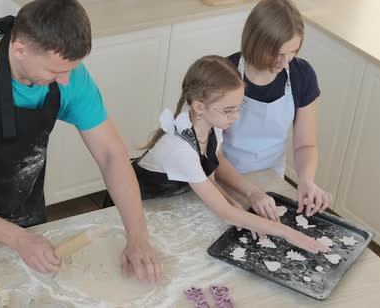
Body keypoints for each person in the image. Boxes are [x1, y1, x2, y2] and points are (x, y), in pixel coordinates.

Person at [0, 0, 160, 308]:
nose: (65, 80)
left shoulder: (68, 74)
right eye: (54, 71)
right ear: (20, 49)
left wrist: (137, 235)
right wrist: (18, 239)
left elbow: (111, 154)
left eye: (70, 70)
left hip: (25, 222)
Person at [130, 55, 330, 254]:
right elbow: (225, 214)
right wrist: (289, 233)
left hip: (169, 202)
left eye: (238, 108)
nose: (236, 117)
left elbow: (210, 178)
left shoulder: (211, 126)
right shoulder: (180, 149)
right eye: (228, 110)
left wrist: (239, 210)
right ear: (199, 106)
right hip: (136, 205)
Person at [220, 0, 332, 218]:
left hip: (270, 181)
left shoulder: (302, 76)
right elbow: (209, 153)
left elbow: (305, 145)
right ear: (256, 42)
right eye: (279, 54)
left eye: (293, 52)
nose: (285, 62)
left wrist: (306, 181)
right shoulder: (224, 75)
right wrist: (251, 192)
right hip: (224, 181)